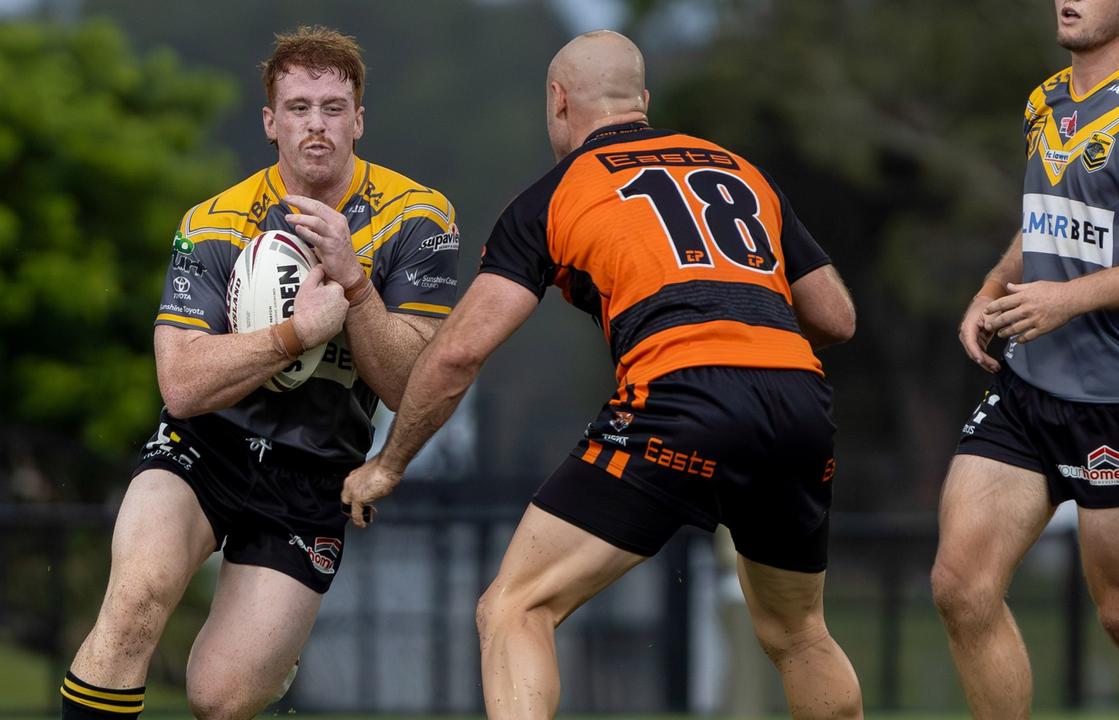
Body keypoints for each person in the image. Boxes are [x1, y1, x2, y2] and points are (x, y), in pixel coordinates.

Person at [343, 29, 862, 720]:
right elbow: (835, 316)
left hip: (679, 396)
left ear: (559, 102)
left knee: (516, 605)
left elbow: (460, 351)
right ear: (641, 101)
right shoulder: (739, 169)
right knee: (798, 634)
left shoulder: (553, 195)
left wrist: (389, 462)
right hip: (797, 397)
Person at [60, 26, 460, 720]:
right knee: (136, 600)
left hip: (313, 474)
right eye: (298, 107)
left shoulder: (417, 218)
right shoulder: (213, 222)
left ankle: (269, 654)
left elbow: (407, 386)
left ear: (359, 119)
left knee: (221, 694)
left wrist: (356, 284)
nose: (316, 125)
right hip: (203, 448)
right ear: (270, 121)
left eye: (333, 107)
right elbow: (181, 385)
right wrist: (293, 335)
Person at [929, 1, 1119, 717]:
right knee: (960, 587)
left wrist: (1068, 301)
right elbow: (1048, 216)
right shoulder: (1046, 99)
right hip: (1027, 388)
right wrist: (992, 287)